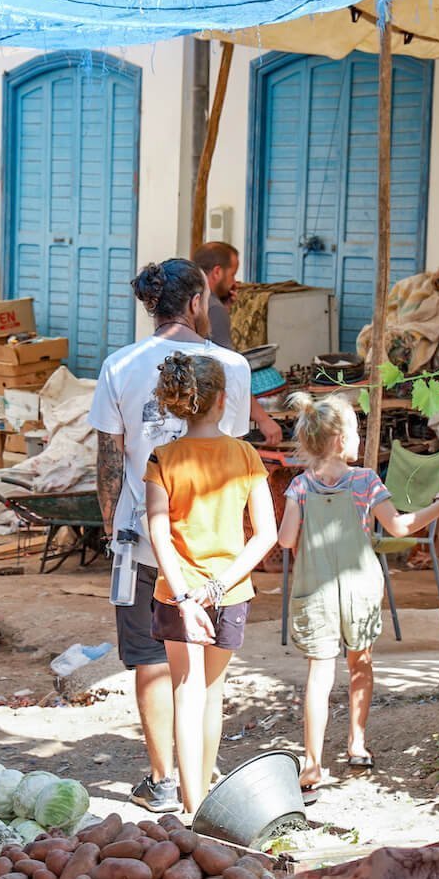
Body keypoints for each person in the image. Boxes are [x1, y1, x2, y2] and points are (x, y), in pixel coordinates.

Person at [88, 259, 252, 813]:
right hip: (215, 551)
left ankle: (164, 779)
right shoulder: (230, 366)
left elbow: (109, 459)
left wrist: (115, 531)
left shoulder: (120, 364)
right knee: (206, 679)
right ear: (198, 301)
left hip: (143, 538)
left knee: (152, 662)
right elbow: (231, 456)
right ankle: (200, 783)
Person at [278, 393, 439, 794]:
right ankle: (357, 743)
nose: (358, 438)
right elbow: (399, 528)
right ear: (340, 439)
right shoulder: (365, 481)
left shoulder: (299, 487)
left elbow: (287, 540)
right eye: (355, 430)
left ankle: (312, 763)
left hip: (314, 593)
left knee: (318, 676)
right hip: (359, 591)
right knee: (361, 666)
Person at [145, 352, 277, 815]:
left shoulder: (163, 457)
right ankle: (203, 804)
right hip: (230, 590)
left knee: (185, 690)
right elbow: (266, 535)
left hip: (176, 590)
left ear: (179, 402)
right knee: (213, 693)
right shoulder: (245, 454)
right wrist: (219, 586)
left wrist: (184, 597)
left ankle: (190, 802)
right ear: (223, 400)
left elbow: (158, 531)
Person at [192, 241, 283, 448]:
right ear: (217, 272)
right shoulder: (213, 308)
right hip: (211, 419)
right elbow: (230, 373)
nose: (235, 282)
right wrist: (263, 419)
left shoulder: (193, 300)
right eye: (232, 274)